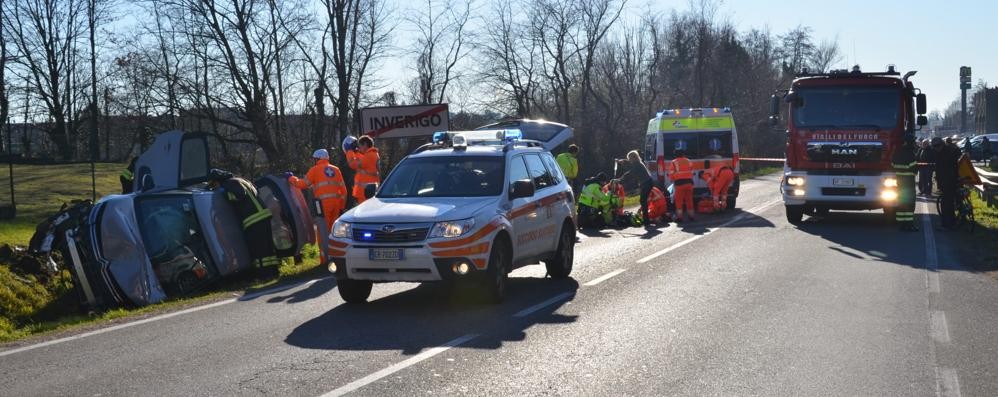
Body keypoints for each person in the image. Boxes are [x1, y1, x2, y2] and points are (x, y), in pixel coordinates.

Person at [207, 169, 275, 260]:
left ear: (218, 180)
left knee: (259, 250)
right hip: (263, 215)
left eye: (214, 185)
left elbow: (239, 195)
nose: (214, 188)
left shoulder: (229, 184)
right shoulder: (240, 180)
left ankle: (264, 272)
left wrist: (224, 194)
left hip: (253, 219)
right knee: (268, 248)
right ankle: (272, 270)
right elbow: (256, 191)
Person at [287, 149, 347, 230]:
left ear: (317, 159)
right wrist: (341, 206)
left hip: (322, 204)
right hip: (336, 204)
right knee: (335, 230)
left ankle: (324, 243)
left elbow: (303, 184)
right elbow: (344, 191)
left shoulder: (315, 170)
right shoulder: (336, 170)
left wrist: (291, 178)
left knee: (322, 230)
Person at [617, 150, 657, 226]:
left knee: (643, 201)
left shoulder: (637, 165)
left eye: (630, 158)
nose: (629, 160)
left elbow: (629, 174)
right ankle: (646, 220)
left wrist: (620, 180)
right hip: (647, 183)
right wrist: (622, 161)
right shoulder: (637, 162)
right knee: (643, 201)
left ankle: (646, 221)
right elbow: (629, 163)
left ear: (633, 157)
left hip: (646, 183)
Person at [932, 137, 961, 229]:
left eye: (937, 146)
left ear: (942, 144)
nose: (936, 148)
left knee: (946, 204)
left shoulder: (944, 154)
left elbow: (942, 169)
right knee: (949, 202)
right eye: (934, 147)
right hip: (951, 180)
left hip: (948, 181)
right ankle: (952, 222)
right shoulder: (950, 150)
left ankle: (947, 224)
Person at [346, 135, 381, 205]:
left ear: (365, 144)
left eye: (360, 146)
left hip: (365, 193)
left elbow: (353, 164)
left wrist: (349, 151)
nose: (359, 148)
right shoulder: (372, 154)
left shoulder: (369, 155)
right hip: (368, 191)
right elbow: (362, 164)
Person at [892, 139, 918, 231]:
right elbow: (914, 169)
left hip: (899, 182)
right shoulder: (911, 154)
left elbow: (892, 165)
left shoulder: (897, 153)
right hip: (909, 183)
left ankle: (901, 224)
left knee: (901, 203)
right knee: (910, 203)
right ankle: (909, 224)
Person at [669, 148, 695, 223]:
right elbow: (692, 172)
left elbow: (671, 173)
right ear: (683, 154)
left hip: (679, 184)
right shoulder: (689, 161)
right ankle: (691, 216)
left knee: (679, 201)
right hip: (689, 183)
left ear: (675, 155)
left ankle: (680, 217)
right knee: (689, 200)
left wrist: (672, 179)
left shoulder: (674, 162)